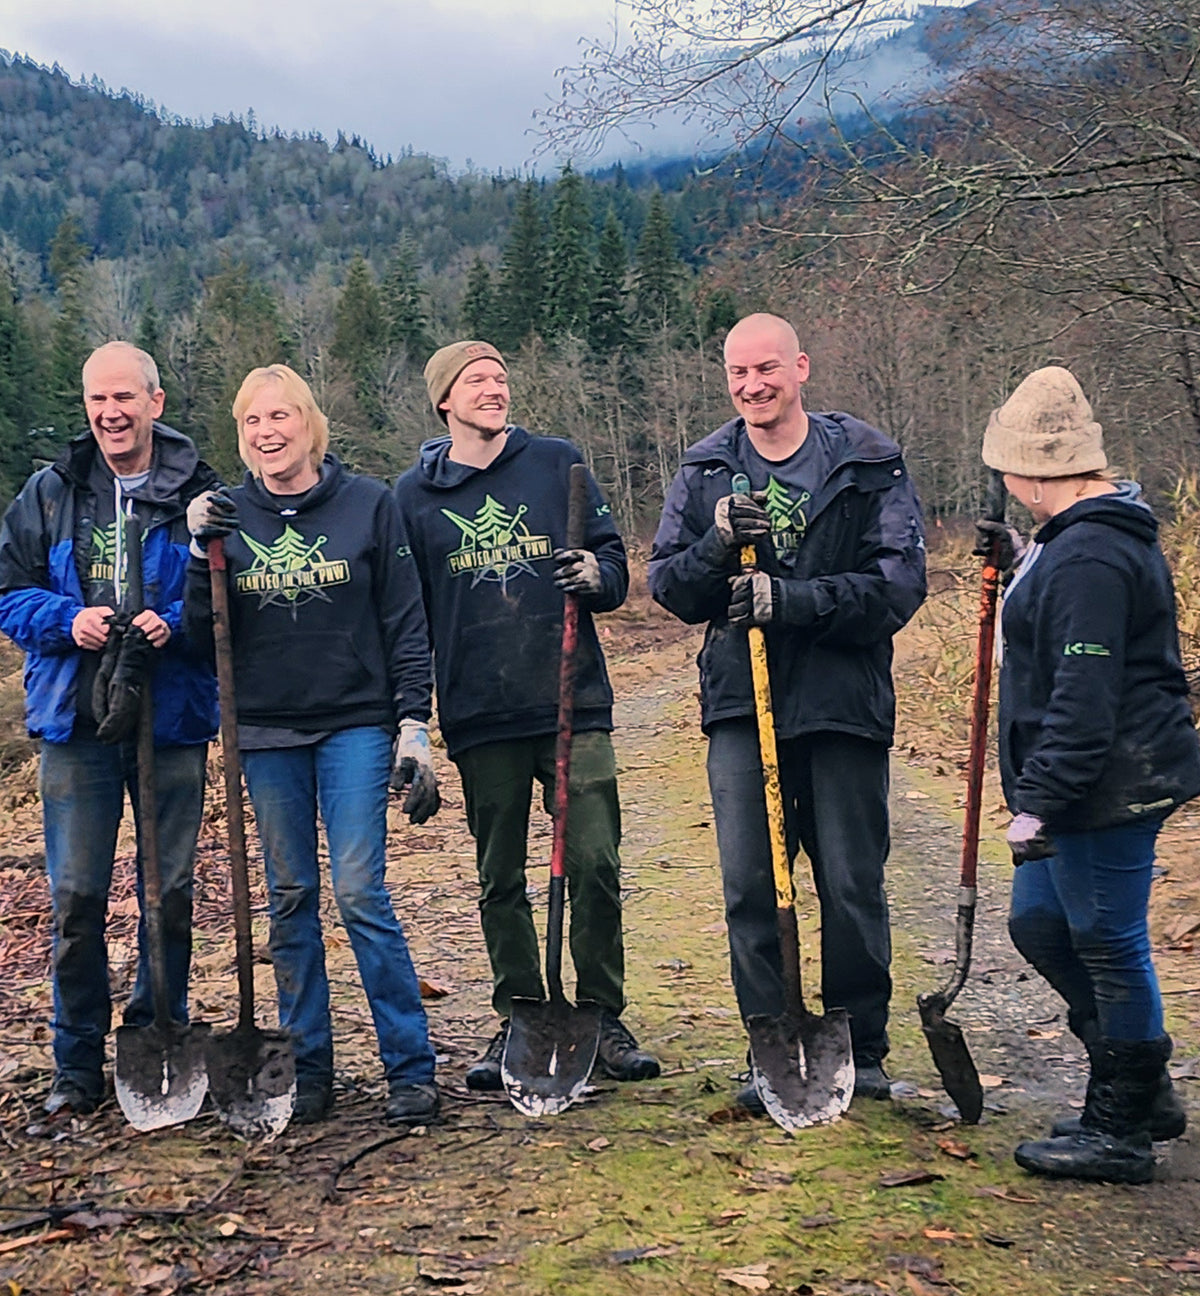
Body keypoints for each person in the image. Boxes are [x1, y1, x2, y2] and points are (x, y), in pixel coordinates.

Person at [648, 313, 926, 1107]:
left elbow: (900, 585)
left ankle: (859, 1049)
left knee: (848, 882)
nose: (752, 387)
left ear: (800, 367)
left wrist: (793, 600)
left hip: (843, 704)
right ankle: (771, 1044)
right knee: (750, 882)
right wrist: (712, 545)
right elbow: (668, 586)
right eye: (738, 373)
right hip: (743, 702)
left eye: (766, 369)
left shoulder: (868, 463)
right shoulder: (706, 470)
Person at [393, 340, 659, 1092]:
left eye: (501, 378)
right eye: (476, 380)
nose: (494, 389)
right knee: (499, 875)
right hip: (480, 711)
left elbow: (612, 560)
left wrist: (598, 573)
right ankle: (519, 1012)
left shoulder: (558, 464)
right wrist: (413, 720)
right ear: (445, 399)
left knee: (595, 860)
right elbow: (406, 615)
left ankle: (601, 1014)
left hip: (574, 697)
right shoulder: (413, 497)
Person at [184, 364, 440, 1127]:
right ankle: (310, 1066)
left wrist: (414, 724)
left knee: (360, 892)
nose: (267, 434)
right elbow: (203, 634)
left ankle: (409, 1068)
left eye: (280, 417)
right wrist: (199, 556)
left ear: (309, 423)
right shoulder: (227, 518)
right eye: (253, 422)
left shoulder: (370, 505)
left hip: (354, 723)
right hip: (266, 735)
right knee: (290, 899)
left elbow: (405, 621)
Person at [979, 366, 1200, 1183]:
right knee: (1040, 925)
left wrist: (1037, 802)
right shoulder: (1072, 542)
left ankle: (1122, 1128)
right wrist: (1021, 563)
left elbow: (1083, 694)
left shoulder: (1093, 557)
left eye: (1007, 467)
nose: (1004, 479)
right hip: (1088, 781)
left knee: (1109, 941)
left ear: (1035, 473)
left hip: (1109, 786)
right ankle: (1144, 1090)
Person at [0, 341, 219, 1117]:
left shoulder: (201, 491)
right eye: (97, 399)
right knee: (76, 897)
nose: (110, 413)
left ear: (156, 402)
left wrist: (178, 624)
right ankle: (76, 1064)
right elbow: (8, 595)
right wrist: (70, 621)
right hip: (73, 720)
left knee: (171, 892)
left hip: (173, 718)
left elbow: (225, 602)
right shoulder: (49, 494)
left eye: (124, 398)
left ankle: (160, 1030)